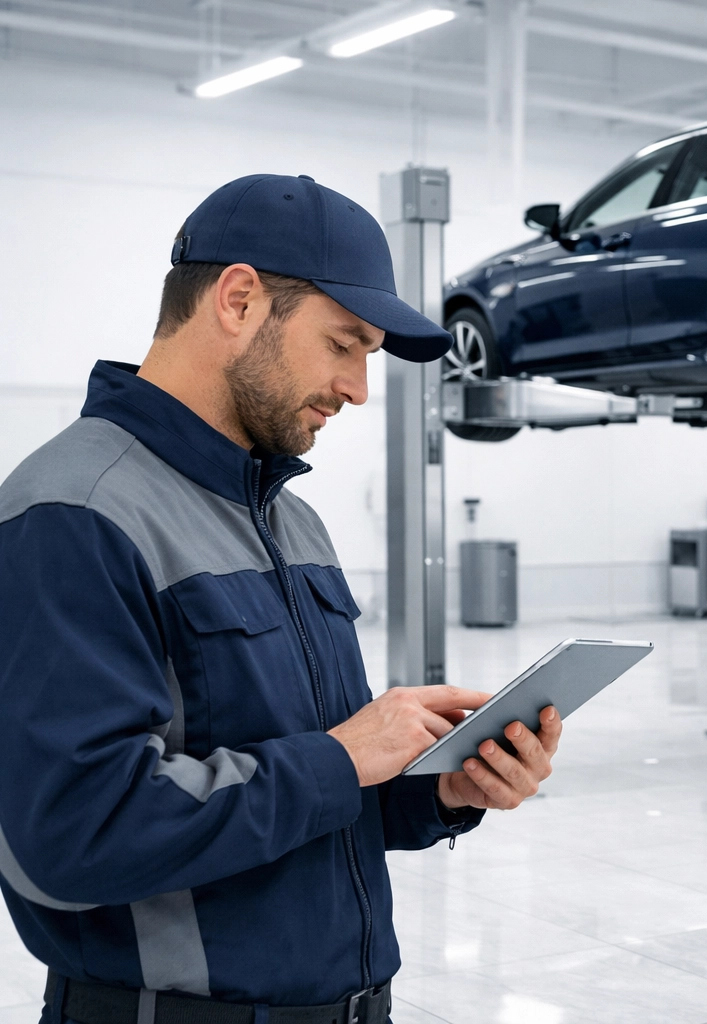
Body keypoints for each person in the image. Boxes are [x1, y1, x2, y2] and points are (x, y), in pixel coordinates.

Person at [0, 174, 560, 1024]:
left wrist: (438, 788)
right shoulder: (74, 515)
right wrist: (341, 758)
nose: (360, 388)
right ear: (237, 300)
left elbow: (309, 787)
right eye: (344, 344)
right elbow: (72, 836)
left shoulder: (292, 522)